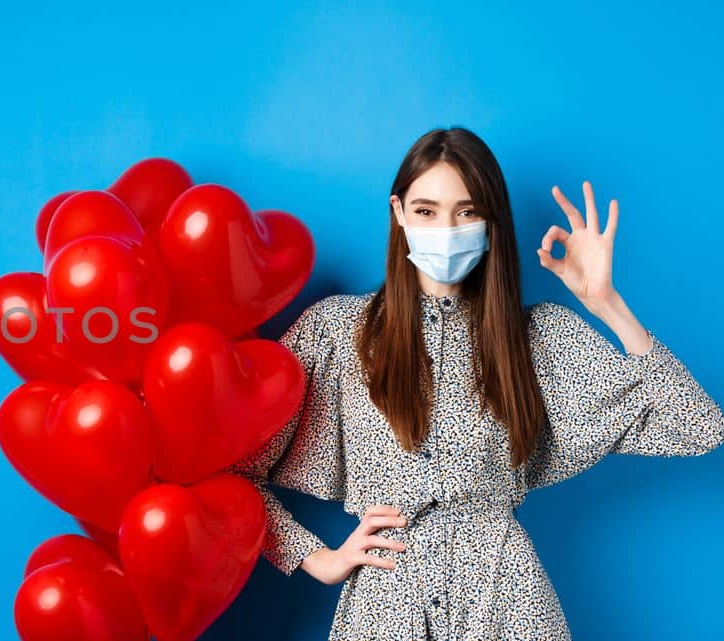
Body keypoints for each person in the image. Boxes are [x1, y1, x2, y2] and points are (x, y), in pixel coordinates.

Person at [234, 126, 724, 640]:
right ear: (399, 213)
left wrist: (607, 304)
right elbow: (236, 472)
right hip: (385, 608)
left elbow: (699, 427)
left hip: (507, 598)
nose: (446, 228)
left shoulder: (538, 338)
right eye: (426, 211)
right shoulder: (338, 333)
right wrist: (316, 558)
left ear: (491, 221)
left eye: (467, 212)